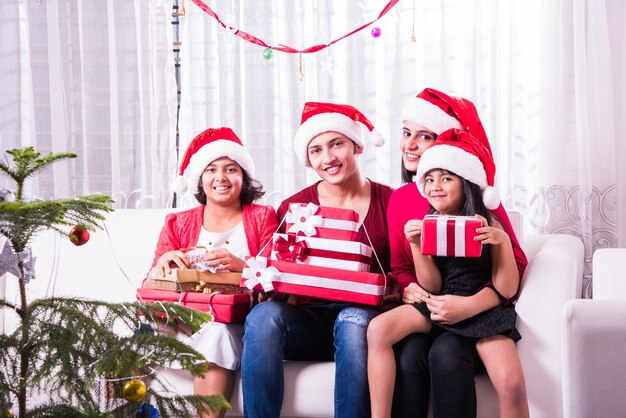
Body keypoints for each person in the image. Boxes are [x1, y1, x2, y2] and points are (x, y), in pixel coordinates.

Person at [241, 102, 394, 418]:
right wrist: (271, 285)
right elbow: (281, 266)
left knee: (351, 321)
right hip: (306, 322)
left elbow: (404, 271)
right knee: (263, 316)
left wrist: (391, 287)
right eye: (316, 150)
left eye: (336, 144)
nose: (328, 158)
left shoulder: (390, 202)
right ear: (308, 161)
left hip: (362, 322)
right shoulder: (294, 207)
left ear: (357, 144)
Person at [388, 88, 529, 418]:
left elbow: (514, 265)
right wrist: (408, 285)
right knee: (408, 357)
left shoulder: (480, 205)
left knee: (447, 356)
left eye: (423, 136)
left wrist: (471, 304)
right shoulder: (400, 199)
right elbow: (401, 266)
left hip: (473, 309)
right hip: (431, 307)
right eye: (406, 133)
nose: (410, 145)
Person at [144, 127, 277, 418]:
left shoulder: (263, 217)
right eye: (212, 169)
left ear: (244, 177)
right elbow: (151, 284)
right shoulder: (178, 223)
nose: (221, 178)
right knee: (135, 330)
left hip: (232, 321)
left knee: (217, 335)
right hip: (181, 319)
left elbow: (275, 276)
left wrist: (242, 266)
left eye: (231, 169)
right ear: (200, 179)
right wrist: (164, 261)